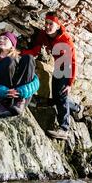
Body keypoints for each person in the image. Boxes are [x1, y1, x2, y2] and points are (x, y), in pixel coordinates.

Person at [22, 11, 81, 139]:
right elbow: (36, 49)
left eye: (51, 24)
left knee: (61, 95)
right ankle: (76, 107)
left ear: (58, 25)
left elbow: (73, 62)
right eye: (46, 23)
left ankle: (64, 128)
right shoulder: (44, 34)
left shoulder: (66, 40)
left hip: (65, 65)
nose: (47, 26)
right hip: (57, 64)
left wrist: (70, 83)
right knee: (56, 97)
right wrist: (21, 52)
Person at [0, 32, 40, 117]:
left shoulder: (20, 61)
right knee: (8, 61)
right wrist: (2, 91)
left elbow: (35, 81)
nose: (1, 40)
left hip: (18, 99)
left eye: (5, 38)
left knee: (29, 58)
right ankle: (2, 106)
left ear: (12, 44)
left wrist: (21, 91)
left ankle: (19, 103)